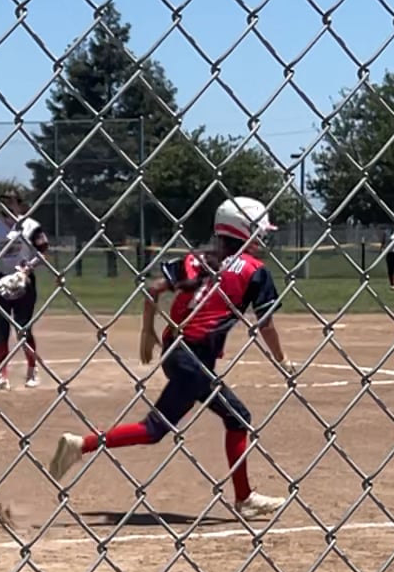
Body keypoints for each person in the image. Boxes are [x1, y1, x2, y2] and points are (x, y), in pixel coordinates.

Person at [48, 196, 293, 521]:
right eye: (259, 231)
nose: (262, 238)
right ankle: (82, 445)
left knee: (229, 418)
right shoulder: (255, 271)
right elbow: (266, 325)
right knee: (163, 428)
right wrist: (282, 360)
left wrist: (147, 330)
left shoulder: (197, 259)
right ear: (245, 230)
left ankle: (244, 496)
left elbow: (154, 289)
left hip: (177, 353)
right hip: (195, 362)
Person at [0, 189, 49, 389]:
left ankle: (32, 370)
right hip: (1, 279)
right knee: (1, 328)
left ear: (20, 204)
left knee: (23, 327)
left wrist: (27, 269)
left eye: (11, 201)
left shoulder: (31, 226)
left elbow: (43, 252)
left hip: (24, 280)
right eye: (4, 202)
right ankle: (2, 375)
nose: (7, 205)